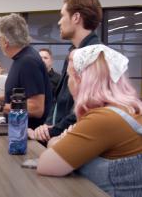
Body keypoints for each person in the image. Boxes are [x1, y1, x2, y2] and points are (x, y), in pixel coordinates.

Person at [37, 44, 142, 197]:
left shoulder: (104, 119)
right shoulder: (128, 109)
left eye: (70, 76)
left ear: (81, 80)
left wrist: (58, 139)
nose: (68, 83)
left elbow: (46, 165)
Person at [29, 0, 102, 141]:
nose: (59, 22)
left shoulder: (94, 55)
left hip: (71, 140)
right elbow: (60, 100)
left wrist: (51, 132)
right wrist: (48, 125)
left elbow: (84, 110)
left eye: (62, 16)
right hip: (59, 135)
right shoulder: (74, 52)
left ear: (75, 17)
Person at [0, 13, 52, 129]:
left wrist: (0, 106)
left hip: (26, 136)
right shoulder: (21, 58)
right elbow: (19, 97)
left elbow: (36, 108)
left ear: (5, 41)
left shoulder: (28, 62)